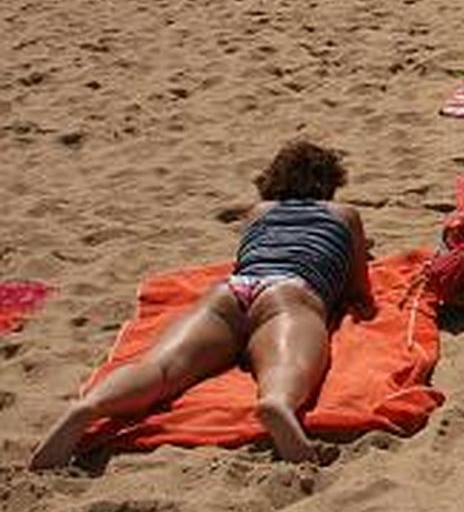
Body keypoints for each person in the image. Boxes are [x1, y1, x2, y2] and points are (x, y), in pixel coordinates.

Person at [30, 141, 374, 469]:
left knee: (160, 368)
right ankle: (277, 403)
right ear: (331, 184)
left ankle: (89, 407)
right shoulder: (344, 214)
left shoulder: (257, 213)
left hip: (232, 290)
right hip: (289, 292)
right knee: (288, 366)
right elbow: (358, 287)